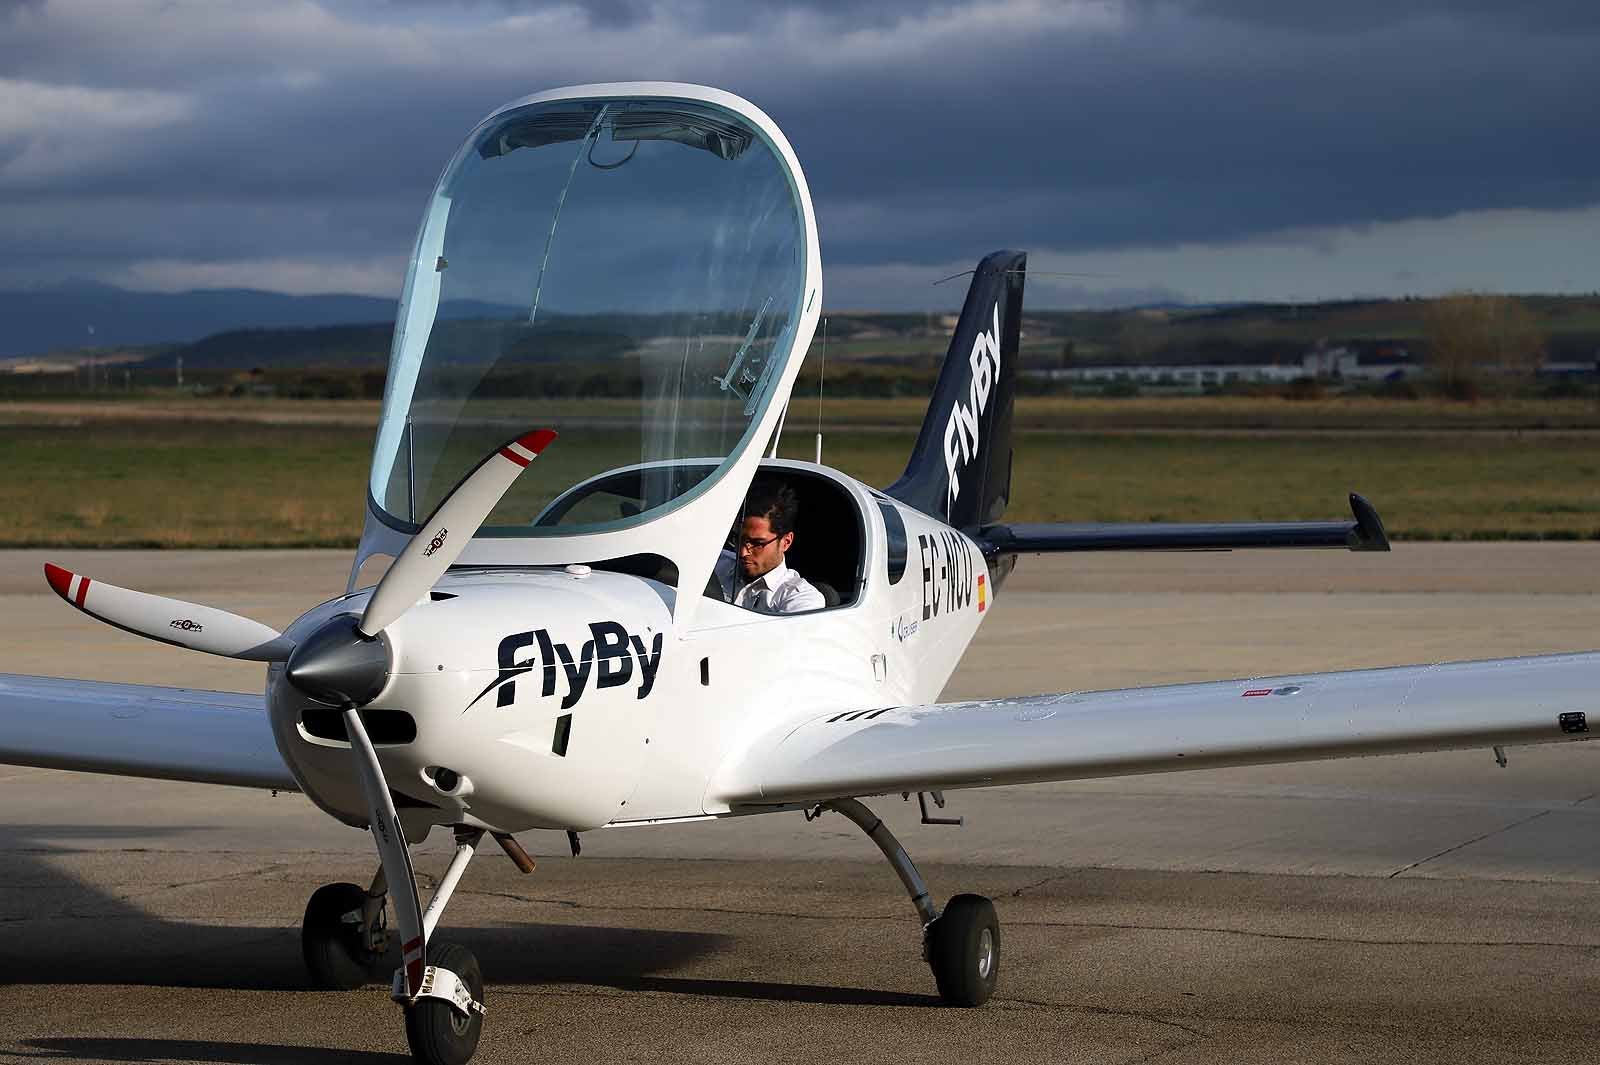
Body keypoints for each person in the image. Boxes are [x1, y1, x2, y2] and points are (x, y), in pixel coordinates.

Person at [713, 477, 826, 614]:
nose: (743, 552)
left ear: (786, 542)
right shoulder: (712, 566)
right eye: (738, 539)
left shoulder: (801, 598)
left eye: (757, 543)